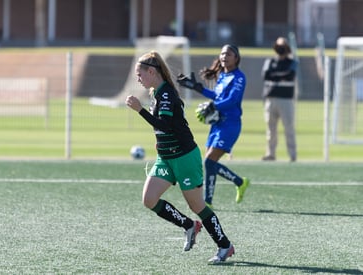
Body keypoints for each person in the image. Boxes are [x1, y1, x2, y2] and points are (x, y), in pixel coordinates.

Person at [125, 51, 235, 264]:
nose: (138, 78)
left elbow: (164, 124)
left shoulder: (166, 94)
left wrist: (140, 110)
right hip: (166, 158)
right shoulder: (156, 92)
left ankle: (225, 246)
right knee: (149, 200)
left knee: (198, 206)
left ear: (151, 71)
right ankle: (188, 226)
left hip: (184, 157)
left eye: (140, 74)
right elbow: (165, 129)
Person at [177, 44, 250, 208]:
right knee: (209, 162)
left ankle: (212, 198)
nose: (224, 56)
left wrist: (214, 106)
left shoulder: (239, 77)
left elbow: (232, 100)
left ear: (236, 58)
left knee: (209, 162)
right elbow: (216, 96)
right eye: (223, 54)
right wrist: (197, 88)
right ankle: (233, 186)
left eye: (229, 54)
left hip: (230, 125)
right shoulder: (223, 76)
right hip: (217, 124)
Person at [261, 37, 298, 162]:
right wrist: (280, 76)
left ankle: (292, 155)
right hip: (271, 99)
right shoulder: (270, 61)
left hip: (286, 100)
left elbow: (290, 76)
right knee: (271, 130)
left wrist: (275, 75)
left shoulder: (292, 62)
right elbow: (266, 75)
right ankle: (270, 153)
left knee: (289, 128)